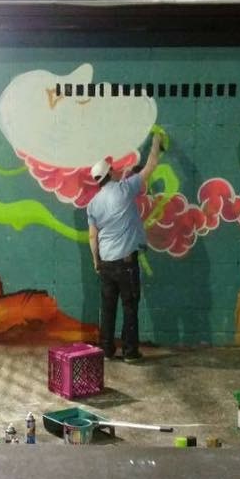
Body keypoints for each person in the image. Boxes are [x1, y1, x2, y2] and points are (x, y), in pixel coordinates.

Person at [87, 129, 165, 362]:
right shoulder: (124, 189)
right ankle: (130, 352)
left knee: (108, 308)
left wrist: (96, 261)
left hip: (106, 263)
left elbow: (93, 237)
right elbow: (150, 167)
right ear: (109, 172)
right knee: (130, 307)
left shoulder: (92, 205)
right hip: (126, 263)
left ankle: (107, 350)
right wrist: (156, 143)